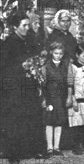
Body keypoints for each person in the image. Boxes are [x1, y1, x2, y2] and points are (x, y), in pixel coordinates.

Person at [0, 13, 46, 162]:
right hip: (14, 88)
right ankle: (13, 153)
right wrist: (21, 66)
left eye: (28, 25)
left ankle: (31, 149)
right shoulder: (8, 43)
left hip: (28, 86)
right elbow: (4, 67)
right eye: (24, 25)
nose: (27, 28)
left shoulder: (29, 41)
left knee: (31, 117)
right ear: (15, 27)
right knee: (14, 121)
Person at [42, 42, 73, 157]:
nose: (58, 56)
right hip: (50, 96)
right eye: (56, 53)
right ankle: (49, 147)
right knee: (49, 122)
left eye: (60, 53)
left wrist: (69, 97)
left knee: (59, 121)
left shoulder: (66, 65)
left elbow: (70, 82)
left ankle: (57, 147)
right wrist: (44, 99)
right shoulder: (46, 66)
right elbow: (42, 84)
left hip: (61, 97)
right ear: (51, 53)